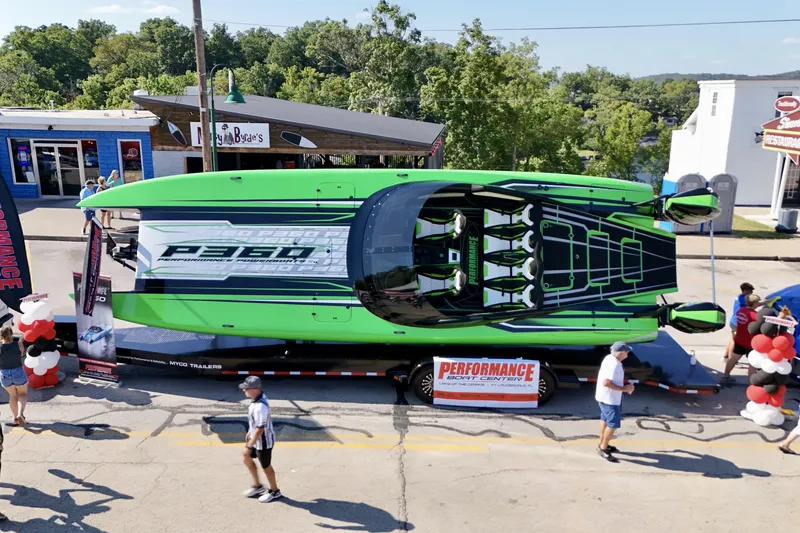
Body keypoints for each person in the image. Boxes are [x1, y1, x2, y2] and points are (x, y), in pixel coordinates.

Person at [239, 376, 282, 502]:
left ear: (255, 389)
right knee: (246, 458)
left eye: (246, 388)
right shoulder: (257, 399)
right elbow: (255, 424)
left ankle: (275, 491)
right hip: (255, 439)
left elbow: (260, 429)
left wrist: (248, 446)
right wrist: (249, 431)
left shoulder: (260, 407)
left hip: (263, 442)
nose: (244, 390)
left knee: (266, 466)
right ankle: (257, 486)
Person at [596, 341, 635, 462]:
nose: (628, 353)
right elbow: (606, 382)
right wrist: (625, 389)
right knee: (613, 424)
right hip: (610, 400)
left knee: (605, 421)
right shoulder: (615, 364)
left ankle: (603, 444)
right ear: (621, 352)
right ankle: (603, 448)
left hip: (602, 397)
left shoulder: (608, 358)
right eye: (626, 351)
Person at [721, 293, 762, 385]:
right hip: (750, 343)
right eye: (758, 302)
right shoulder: (755, 315)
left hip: (739, 340)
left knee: (733, 358)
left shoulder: (741, 311)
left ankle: (725, 376)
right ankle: (753, 384)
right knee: (753, 364)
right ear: (755, 303)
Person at [0, 327, 27, 427]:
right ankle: (20, 414)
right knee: (22, 393)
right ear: (11, 334)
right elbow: (21, 354)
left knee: (12, 395)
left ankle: (16, 418)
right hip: (18, 372)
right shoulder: (19, 344)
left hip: (4, 374)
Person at [724, 283, 754, 361]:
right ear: (745, 291)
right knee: (735, 341)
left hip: (734, 321)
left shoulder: (739, 297)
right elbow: (753, 304)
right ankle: (731, 359)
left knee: (732, 338)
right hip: (737, 323)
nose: (751, 293)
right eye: (750, 291)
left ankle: (726, 356)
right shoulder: (743, 299)